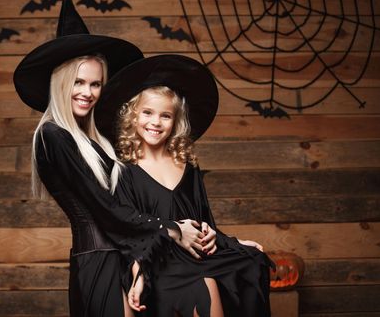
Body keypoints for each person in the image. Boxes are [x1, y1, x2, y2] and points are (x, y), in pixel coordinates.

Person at [13, 0, 213, 317]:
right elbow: (104, 208)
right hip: (100, 260)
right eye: (78, 82)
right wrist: (174, 228)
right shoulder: (53, 136)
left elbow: (137, 197)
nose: (87, 92)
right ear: (61, 83)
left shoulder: (100, 139)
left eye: (96, 84)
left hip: (131, 257)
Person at [95, 55, 275, 317]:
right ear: (132, 117)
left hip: (195, 255)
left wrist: (222, 238)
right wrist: (138, 273)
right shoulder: (123, 170)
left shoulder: (187, 164)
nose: (155, 123)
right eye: (147, 113)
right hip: (155, 260)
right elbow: (127, 232)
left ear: (175, 121)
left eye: (165, 115)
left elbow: (203, 219)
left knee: (251, 262)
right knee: (201, 286)